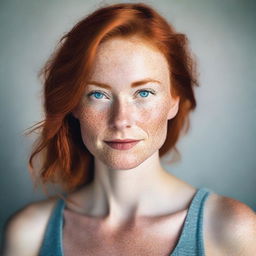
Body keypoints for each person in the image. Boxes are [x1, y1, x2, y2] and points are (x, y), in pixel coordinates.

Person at [2, 2, 256, 256]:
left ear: (173, 101)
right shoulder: (29, 233)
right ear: (74, 105)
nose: (121, 120)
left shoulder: (230, 229)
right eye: (98, 94)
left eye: (143, 92)